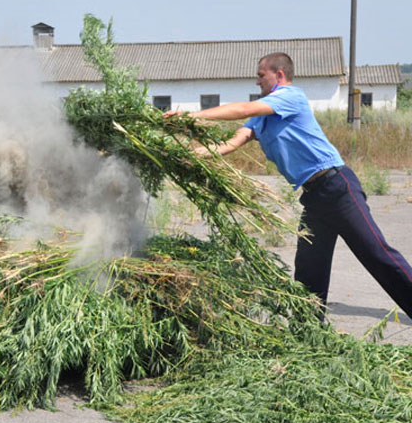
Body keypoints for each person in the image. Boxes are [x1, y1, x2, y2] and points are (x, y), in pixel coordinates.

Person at [164, 52, 412, 321]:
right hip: (314, 197)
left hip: (338, 186)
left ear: (279, 75)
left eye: (261, 75)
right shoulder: (261, 118)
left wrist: (191, 114)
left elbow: (243, 109)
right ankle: (308, 331)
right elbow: (230, 144)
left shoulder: (290, 97)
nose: (257, 81)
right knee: (309, 269)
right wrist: (184, 155)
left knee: (376, 253)